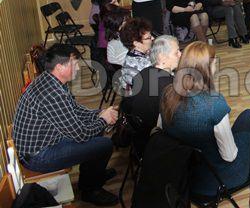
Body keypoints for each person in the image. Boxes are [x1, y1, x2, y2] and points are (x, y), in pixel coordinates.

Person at [161, 42, 250, 207]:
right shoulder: (214, 104)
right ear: (206, 68)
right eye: (214, 62)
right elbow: (230, 156)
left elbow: (161, 132)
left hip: (183, 177)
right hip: (214, 181)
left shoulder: (167, 94)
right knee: (249, 119)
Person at [12, 44, 119, 206]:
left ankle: (92, 176)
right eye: (74, 64)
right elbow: (81, 135)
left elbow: (74, 109)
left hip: (44, 142)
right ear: (60, 67)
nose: (78, 68)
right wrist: (103, 119)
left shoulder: (51, 79)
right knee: (105, 145)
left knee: (96, 131)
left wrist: (99, 113)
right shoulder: (53, 94)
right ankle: (91, 191)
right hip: (38, 156)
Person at [123, 35, 181, 153]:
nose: (180, 54)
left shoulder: (143, 73)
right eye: (176, 52)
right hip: (155, 143)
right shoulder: (170, 86)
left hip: (138, 136)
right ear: (162, 57)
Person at [118, 17, 154, 96]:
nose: (152, 38)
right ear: (137, 43)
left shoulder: (130, 54)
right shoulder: (145, 65)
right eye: (148, 38)